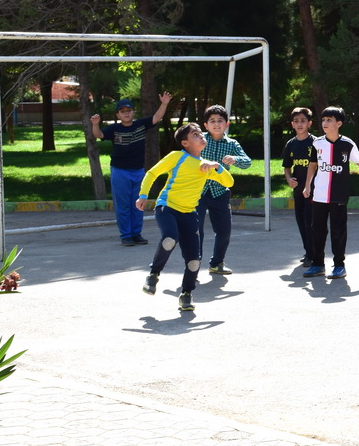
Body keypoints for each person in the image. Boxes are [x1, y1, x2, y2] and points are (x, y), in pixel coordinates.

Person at [137, 123, 233, 312]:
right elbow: (152, 173)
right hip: (167, 207)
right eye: (195, 135)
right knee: (169, 239)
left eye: (200, 133)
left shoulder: (205, 165)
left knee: (194, 260)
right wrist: (143, 195)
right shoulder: (177, 157)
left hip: (189, 213)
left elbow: (229, 182)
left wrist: (217, 167)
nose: (200, 136)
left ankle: (186, 294)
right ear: (185, 143)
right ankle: (154, 274)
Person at [302, 106, 359, 279]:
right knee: (317, 230)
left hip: (339, 194)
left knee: (338, 230)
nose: (325, 123)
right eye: (323, 120)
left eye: (329, 120)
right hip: (319, 195)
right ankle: (318, 264)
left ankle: (339, 265)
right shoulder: (317, 143)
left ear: (339, 123)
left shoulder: (347, 143)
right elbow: (312, 165)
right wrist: (307, 185)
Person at [91, 93, 172, 246]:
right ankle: (126, 235)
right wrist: (95, 124)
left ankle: (136, 234)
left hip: (138, 171)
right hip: (120, 171)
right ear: (118, 114)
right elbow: (99, 134)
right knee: (123, 205)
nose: (126, 113)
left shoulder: (140, 125)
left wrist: (165, 103)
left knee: (138, 203)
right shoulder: (114, 129)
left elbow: (156, 117)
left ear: (133, 112)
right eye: (122, 111)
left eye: (128, 110)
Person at [195, 105, 252, 276]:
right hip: (198, 192)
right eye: (212, 121)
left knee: (224, 231)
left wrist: (235, 159)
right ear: (205, 125)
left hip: (220, 192)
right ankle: (193, 264)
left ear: (226, 124)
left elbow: (247, 161)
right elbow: (185, 156)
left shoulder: (232, 144)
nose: (216, 124)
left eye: (220, 121)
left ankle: (217, 263)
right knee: (196, 231)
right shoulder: (199, 140)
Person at [281, 107, 316, 267]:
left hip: (313, 190)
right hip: (298, 189)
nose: (299, 124)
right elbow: (287, 167)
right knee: (301, 221)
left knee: (310, 221)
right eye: (296, 121)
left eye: (303, 121)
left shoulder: (315, 142)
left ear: (309, 123)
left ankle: (313, 253)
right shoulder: (290, 144)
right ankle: (308, 251)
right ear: (292, 124)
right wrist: (289, 179)